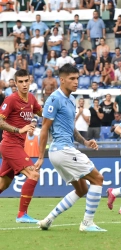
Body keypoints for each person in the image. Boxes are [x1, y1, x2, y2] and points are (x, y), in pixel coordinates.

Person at [35, 64, 106, 232]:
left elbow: (71, 128)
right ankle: (87, 223)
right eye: (72, 79)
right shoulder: (54, 99)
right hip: (62, 150)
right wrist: (40, 156)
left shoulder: (71, 100)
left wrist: (85, 142)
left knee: (82, 189)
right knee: (98, 179)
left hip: (63, 151)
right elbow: (44, 128)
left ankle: (48, 220)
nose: (76, 82)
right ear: (62, 80)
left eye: (77, 78)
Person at [0, 69, 43, 223]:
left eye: (26, 81)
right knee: (34, 174)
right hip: (10, 145)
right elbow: (0, 121)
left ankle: (22, 214)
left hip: (18, 145)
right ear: (16, 83)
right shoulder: (11, 100)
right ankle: (21, 215)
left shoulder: (31, 98)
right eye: (21, 82)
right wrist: (19, 129)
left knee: (3, 184)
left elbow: (41, 112)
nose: (24, 84)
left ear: (29, 81)